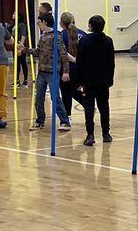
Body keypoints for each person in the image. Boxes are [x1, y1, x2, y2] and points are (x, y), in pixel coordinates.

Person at [75, 14, 115, 146]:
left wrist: (79, 81)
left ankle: (90, 134)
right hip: (103, 80)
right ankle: (106, 133)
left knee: (89, 108)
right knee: (104, 107)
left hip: (88, 80)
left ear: (90, 26)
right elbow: (111, 63)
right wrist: (110, 79)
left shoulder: (85, 41)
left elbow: (80, 62)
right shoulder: (108, 41)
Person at [31, 11, 71, 131]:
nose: (38, 24)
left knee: (55, 97)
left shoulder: (56, 37)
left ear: (45, 22)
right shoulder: (43, 37)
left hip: (52, 72)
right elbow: (38, 52)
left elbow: (63, 54)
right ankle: (40, 121)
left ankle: (65, 121)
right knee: (39, 97)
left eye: (39, 22)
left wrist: (65, 72)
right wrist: (26, 50)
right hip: (42, 72)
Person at [59, 11, 86, 122]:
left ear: (62, 23)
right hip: (81, 68)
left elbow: (62, 53)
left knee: (66, 93)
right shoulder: (83, 34)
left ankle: (67, 117)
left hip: (67, 69)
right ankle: (87, 104)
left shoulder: (61, 35)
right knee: (75, 91)